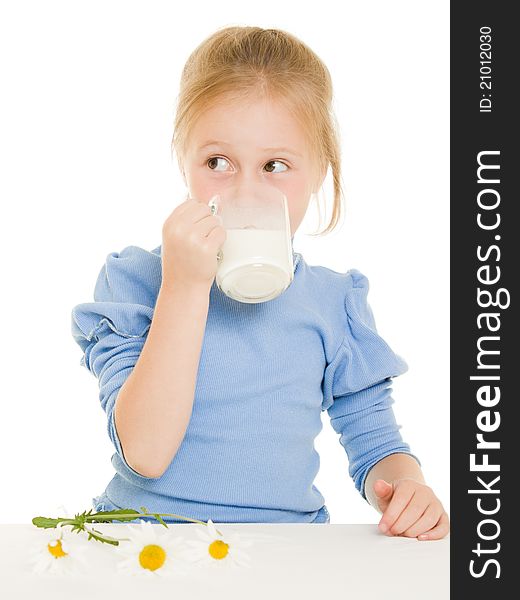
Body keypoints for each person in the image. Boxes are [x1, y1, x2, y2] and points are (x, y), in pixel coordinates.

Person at [71, 26, 449, 539]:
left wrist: (409, 489)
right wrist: (183, 287)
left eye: (275, 165)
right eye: (217, 163)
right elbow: (145, 454)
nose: (246, 191)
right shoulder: (136, 281)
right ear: (184, 163)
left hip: (286, 550)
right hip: (143, 543)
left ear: (319, 173)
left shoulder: (334, 302)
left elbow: (377, 447)